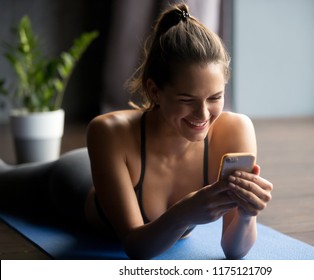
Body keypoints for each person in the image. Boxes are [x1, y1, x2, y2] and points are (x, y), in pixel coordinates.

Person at [0, 3, 273, 259]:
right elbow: (135, 246)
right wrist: (186, 213)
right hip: (73, 182)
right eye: (187, 100)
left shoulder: (235, 130)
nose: (203, 115)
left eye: (215, 97)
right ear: (155, 90)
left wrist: (247, 215)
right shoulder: (106, 131)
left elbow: (234, 251)